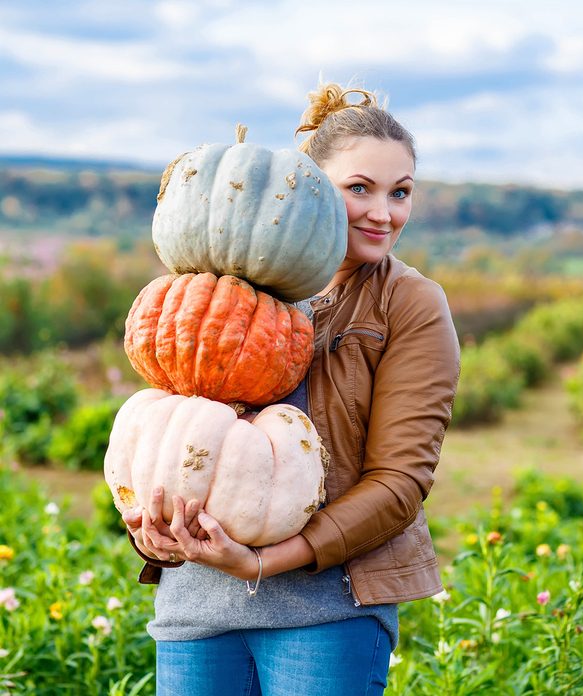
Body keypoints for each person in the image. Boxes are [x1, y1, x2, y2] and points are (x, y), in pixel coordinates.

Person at [123, 82, 461, 696]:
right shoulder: (217, 285)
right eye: (358, 188)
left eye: (401, 192)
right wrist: (150, 527)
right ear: (306, 185)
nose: (383, 213)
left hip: (326, 614)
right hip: (196, 607)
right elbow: (163, 438)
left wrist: (260, 563)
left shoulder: (410, 304)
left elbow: (400, 483)